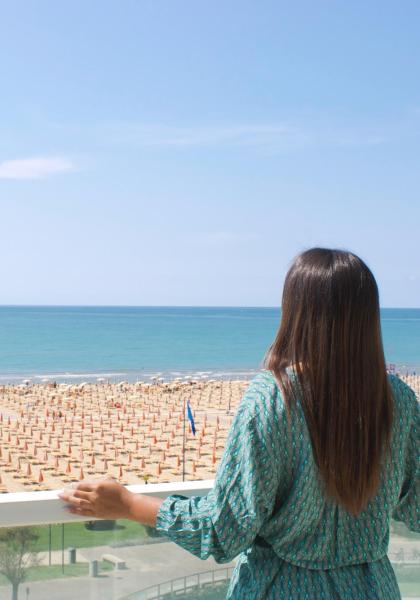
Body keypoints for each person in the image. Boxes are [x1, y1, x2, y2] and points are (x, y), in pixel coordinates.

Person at [59, 248, 419, 599]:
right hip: (373, 587)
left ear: (296, 311)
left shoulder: (275, 398)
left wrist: (126, 503)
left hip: (282, 588)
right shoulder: (397, 399)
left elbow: (223, 530)